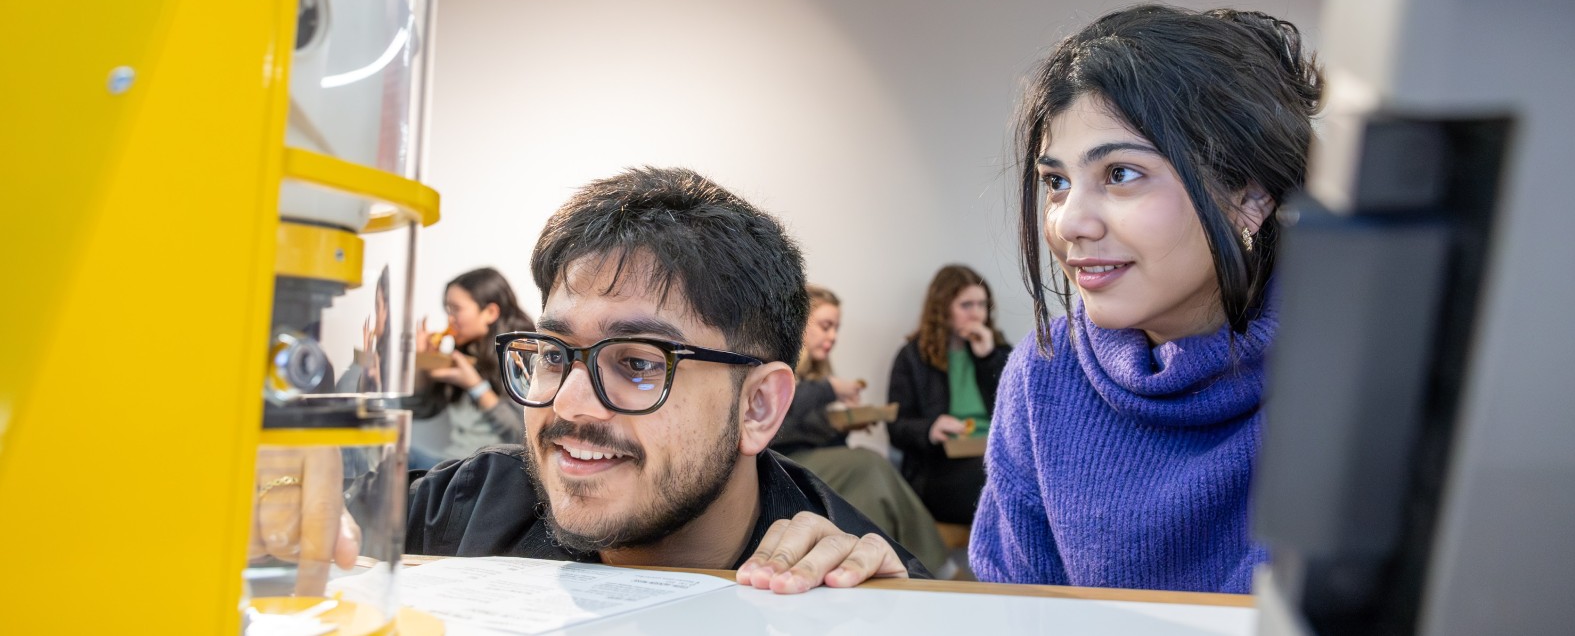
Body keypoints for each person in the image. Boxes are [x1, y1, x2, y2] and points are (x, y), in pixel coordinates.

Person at [252, 167, 926, 595]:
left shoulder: (842, 581)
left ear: (758, 406)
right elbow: (313, 539)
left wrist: (902, 614)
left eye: (637, 363)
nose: (567, 404)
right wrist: (275, 505)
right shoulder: (470, 506)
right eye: (552, 353)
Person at [970, 4, 1323, 592]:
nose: (1069, 222)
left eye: (1120, 174)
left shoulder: (1351, 379)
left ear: (1250, 198)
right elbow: (1015, 608)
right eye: (1056, 182)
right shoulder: (1045, 374)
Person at [771, 285, 950, 573]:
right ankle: (930, 567)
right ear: (800, 324)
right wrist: (830, 389)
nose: (833, 337)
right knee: (868, 464)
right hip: (781, 464)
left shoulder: (817, 374)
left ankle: (891, 567)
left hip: (815, 462)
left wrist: (847, 422)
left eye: (836, 329)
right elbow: (783, 422)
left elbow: (818, 435)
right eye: (825, 326)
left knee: (870, 483)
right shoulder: (783, 370)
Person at [887, 264, 1011, 526]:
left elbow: (1017, 412)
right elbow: (896, 427)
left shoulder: (997, 350)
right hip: (941, 466)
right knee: (992, 483)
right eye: (966, 305)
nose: (977, 314)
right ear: (942, 308)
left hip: (994, 454)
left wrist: (989, 358)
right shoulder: (912, 357)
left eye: (982, 304)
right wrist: (931, 429)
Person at [407, 268, 534, 469]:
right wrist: (424, 363)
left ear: (490, 312)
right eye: (447, 310)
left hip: (487, 471)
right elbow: (420, 409)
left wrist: (475, 386)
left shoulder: (522, 356)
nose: (450, 319)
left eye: (456, 309)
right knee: (390, 452)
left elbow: (522, 434)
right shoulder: (466, 354)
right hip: (451, 464)